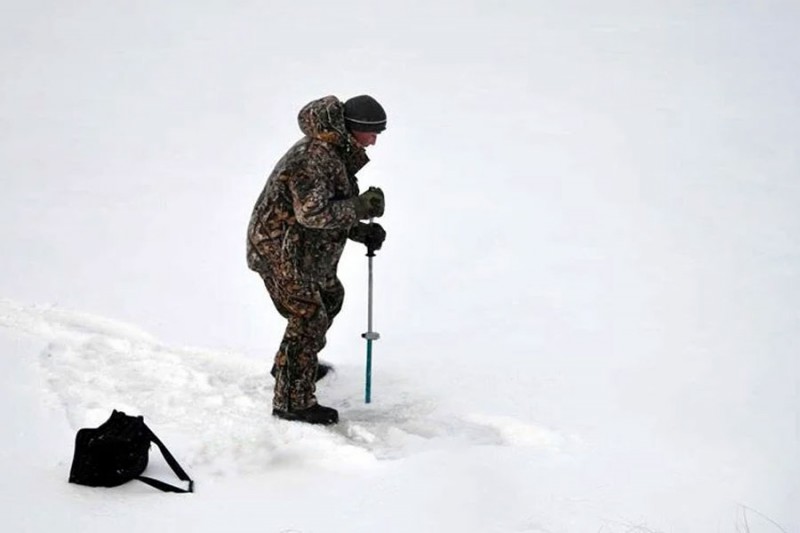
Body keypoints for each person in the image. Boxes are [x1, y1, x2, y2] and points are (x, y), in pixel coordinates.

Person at [246, 95, 388, 425]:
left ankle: (293, 365)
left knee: (329, 297)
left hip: (304, 249)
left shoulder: (334, 152)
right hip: (279, 250)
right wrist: (360, 208)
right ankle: (292, 401)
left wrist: (360, 230)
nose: (374, 141)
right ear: (354, 128)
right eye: (372, 133)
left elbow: (331, 203)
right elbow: (313, 213)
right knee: (308, 315)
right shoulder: (313, 157)